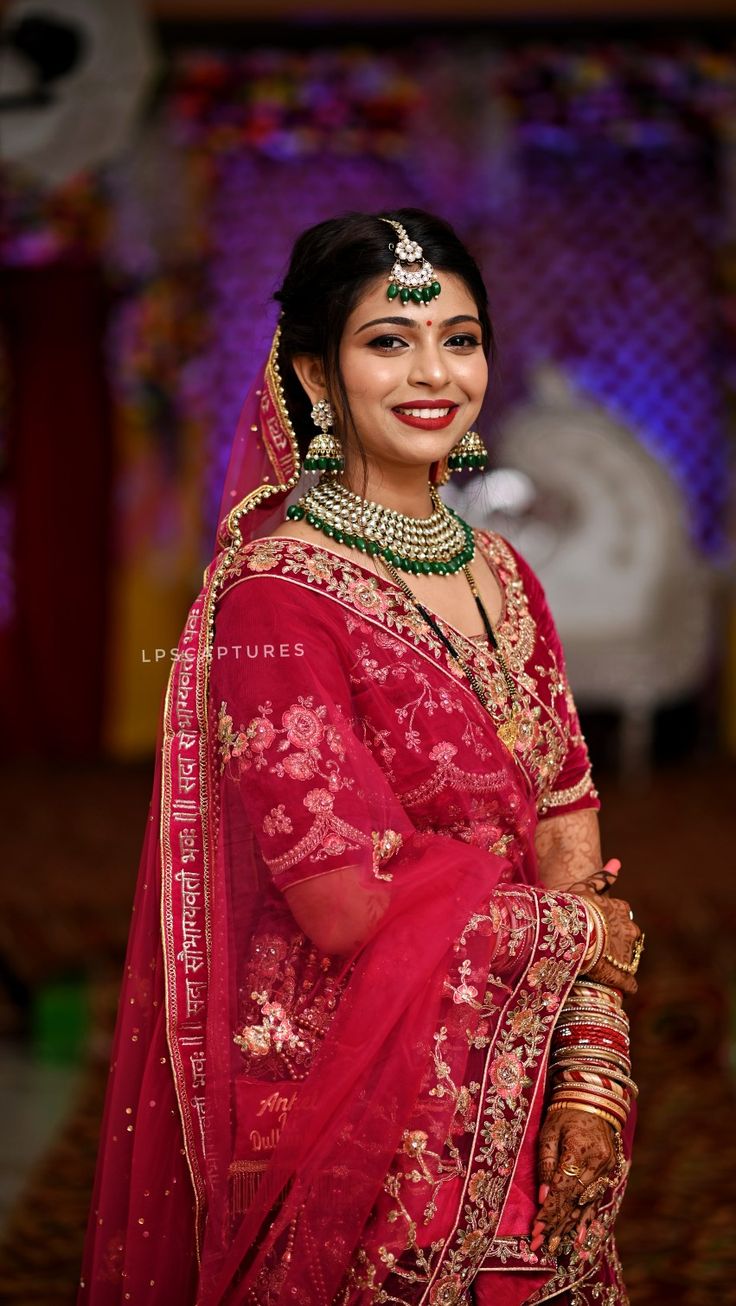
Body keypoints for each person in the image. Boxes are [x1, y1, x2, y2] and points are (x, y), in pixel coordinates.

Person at [78, 209, 644, 1306]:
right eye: (389, 340)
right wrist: (581, 936)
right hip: (355, 1100)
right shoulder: (273, 599)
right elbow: (344, 902)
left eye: (461, 338)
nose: (435, 372)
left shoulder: (505, 574)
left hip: (523, 1066)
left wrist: (593, 1066)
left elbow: (568, 823)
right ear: (314, 373)